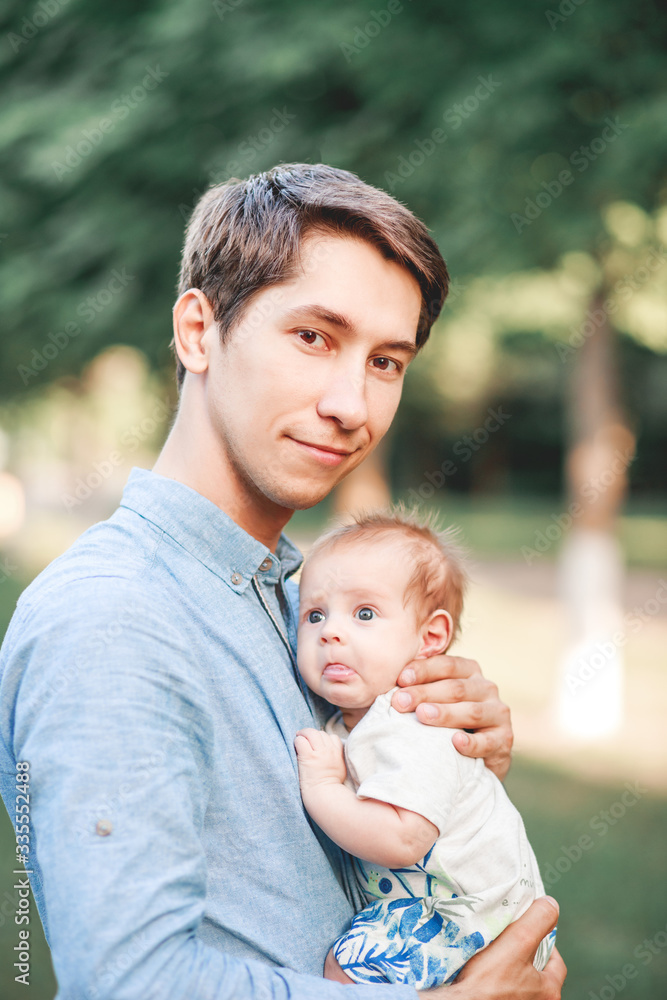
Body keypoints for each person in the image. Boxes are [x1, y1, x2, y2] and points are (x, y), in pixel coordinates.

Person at [0, 163, 564, 999]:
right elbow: (130, 981)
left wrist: (450, 759)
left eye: (386, 361)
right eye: (313, 337)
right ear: (199, 331)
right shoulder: (112, 617)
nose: (352, 405)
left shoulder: (302, 603)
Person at [294, 509, 557, 990]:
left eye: (364, 614)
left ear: (430, 637)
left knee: (346, 972)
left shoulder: (415, 724)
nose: (330, 631)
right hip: (445, 905)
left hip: (475, 915)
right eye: (315, 615)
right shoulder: (349, 720)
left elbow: (401, 840)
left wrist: (323, 787)